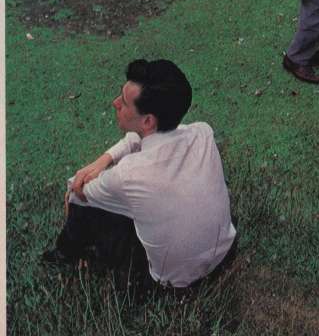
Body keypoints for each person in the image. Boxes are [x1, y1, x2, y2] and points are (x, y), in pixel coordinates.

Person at [42, 59, 237, 291]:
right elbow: (141, 137)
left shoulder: (129, 174)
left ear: (147, 120)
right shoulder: (203, 133)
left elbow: (77, 190)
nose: (115, 103)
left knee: (83, 207)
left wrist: (76, 187)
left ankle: (65, 254)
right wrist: (105, 158)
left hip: (174, 286)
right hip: (225, 255)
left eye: (124, 102)